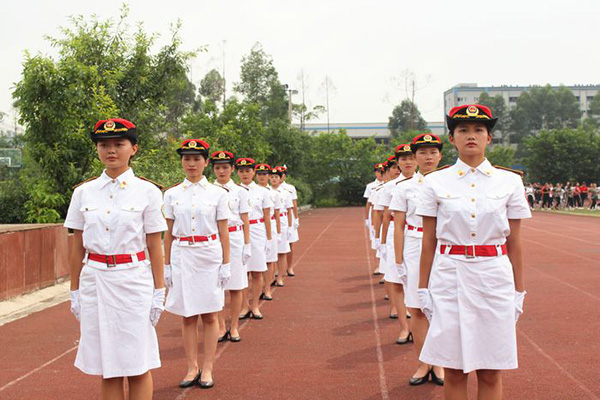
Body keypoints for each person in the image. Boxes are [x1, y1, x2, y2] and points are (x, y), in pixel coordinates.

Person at [417, 104, 531, 399]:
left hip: (493, 276)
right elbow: (428, 240)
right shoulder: (434, 182)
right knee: (454, 369)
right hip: (449, 274)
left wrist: (519, 290)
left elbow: (515, 242)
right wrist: (422, 289)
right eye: (463, 130)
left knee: (491, 370)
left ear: (489, 138)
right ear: (452, 138)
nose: (471, 136)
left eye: (479, 130)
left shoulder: (510, 181)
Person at [65, 118, 167, 400]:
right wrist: (74, 290)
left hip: (133, 279)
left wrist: (159, 291)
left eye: (119, 144)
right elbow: (77, 247)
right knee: (106, 366)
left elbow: (154, 244)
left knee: (137, 364)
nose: (111, 150)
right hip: (95, 280)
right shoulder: (83, 192)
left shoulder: (147, 192)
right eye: (104, 144)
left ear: (134, 148)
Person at [163, 139, 232, 389]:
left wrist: (226, 263)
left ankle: (208, 368)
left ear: (205, 162)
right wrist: (166, 265)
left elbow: (223, 231)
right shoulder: (171, 194)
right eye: (186, 159)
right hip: (182, 254)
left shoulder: (217, 194)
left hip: (208, 254)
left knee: (210, 314)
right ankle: (192, 366)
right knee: (188, 315)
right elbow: (168, 233)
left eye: (196, 159)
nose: (191, 164)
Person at [390, 133, 445, 386]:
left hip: (444, 247)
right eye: (422, 153)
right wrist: (399, 260)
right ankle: (424, 363)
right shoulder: (404, 187)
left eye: (433, 152)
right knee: (417, 308)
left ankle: (441, 362)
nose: (428, 157)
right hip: (414, 244)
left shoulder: (450, 184)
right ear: (414, 157)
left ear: (441, 155)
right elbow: (399, 226)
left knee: (442, 308)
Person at [211, 151, 252, 343]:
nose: (221, 171)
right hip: (214, 240)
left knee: (236, 286)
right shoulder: (208, 191)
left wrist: (247, 245)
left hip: (235, 238)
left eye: (225, 167)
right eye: (218, 167)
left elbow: (245, 219)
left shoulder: (240, 192)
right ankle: (220, 326)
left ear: (232, 169)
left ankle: (234, 326)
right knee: (216, 286)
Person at [378, 146, 415, 341]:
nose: (407, 162)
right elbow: (385, 215)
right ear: (397, 163)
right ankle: (404, 327)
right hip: (396, 232)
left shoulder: (429, 182)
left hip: (420, 233)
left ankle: (421, 327)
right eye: (403, 159)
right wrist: (382, 242)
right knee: (397, 279)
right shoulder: (390, 187)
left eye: (411, 157)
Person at [238, 161, 274, 316]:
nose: (245, 174)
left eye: (248, 170)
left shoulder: (263, 192)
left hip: (257, 230)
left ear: (253, 172)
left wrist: (269, 238)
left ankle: (255, 306)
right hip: (239, 232)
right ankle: (244, 305)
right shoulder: (233, 191)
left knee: (257, 271)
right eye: (241, 171)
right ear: (237, 172)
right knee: (242, 272)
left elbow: (267, 216)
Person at [255, 163, 281, 295]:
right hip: (257, 227)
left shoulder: (274, 193)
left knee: (270, 259)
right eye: (259, 174)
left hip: (270, 225)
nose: (261, 177)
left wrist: (278, 232)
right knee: (257, 261)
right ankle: (257, 289)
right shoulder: (251, 191)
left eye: (264, 174)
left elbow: (276, 214)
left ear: (269, 176)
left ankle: (267, 288)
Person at [270, 166, 294, 285]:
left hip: (283, 221)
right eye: (272, 177)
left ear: (281, 179)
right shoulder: (267, 191)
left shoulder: (286, 193)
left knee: (282, 251)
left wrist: (290, 227)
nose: (274, 179)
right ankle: (271, 276)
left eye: (276, 177)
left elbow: (289, 211)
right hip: (271, 221)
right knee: (271, 252)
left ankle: (280, 276)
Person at [280, 166, 300, 276]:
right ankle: (278, 270)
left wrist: (296, 219)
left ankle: (289, 267)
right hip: (277, 219)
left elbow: (294, 204)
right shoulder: (270, 188)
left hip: (289, 216)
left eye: (282, 174)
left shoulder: (290, 188)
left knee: (290, 243)